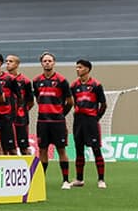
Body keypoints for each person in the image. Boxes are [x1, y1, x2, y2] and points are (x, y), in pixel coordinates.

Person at [33, 52, 74, 187]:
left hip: (58, 122)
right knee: (42, 150)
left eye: (50, 61)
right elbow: (38, 98)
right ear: (41, 63)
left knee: (61, 150)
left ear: (54, 62)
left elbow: (69, 102)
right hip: (42, 121)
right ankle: (41, 180)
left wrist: (61, 114)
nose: (47, 63)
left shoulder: (62, 81)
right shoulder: (36, 81)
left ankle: (66, 180)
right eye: (45, 61)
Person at [71, 59, 108, 188]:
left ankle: (101, 180)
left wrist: (96, 117)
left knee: (96, 149)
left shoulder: (96, 85)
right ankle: (79, 179)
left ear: (87, 69)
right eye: (77, 67)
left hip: (91, 121)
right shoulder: (74, 85)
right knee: (79, 150)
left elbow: (103, 104)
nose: (77, 69)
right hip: (78, 121)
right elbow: (74, 102)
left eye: (80, 67)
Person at [6, 55, 34, 155]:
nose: (8, 63)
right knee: (8, 148)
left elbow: (31, 102)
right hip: (7, 118)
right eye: (7, 61)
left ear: (17, 64)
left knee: (24, 148)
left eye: (11, 61)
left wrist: (22, 111)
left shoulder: (25, 81)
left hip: (21, 119)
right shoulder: (3, 79)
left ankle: (29, 168)